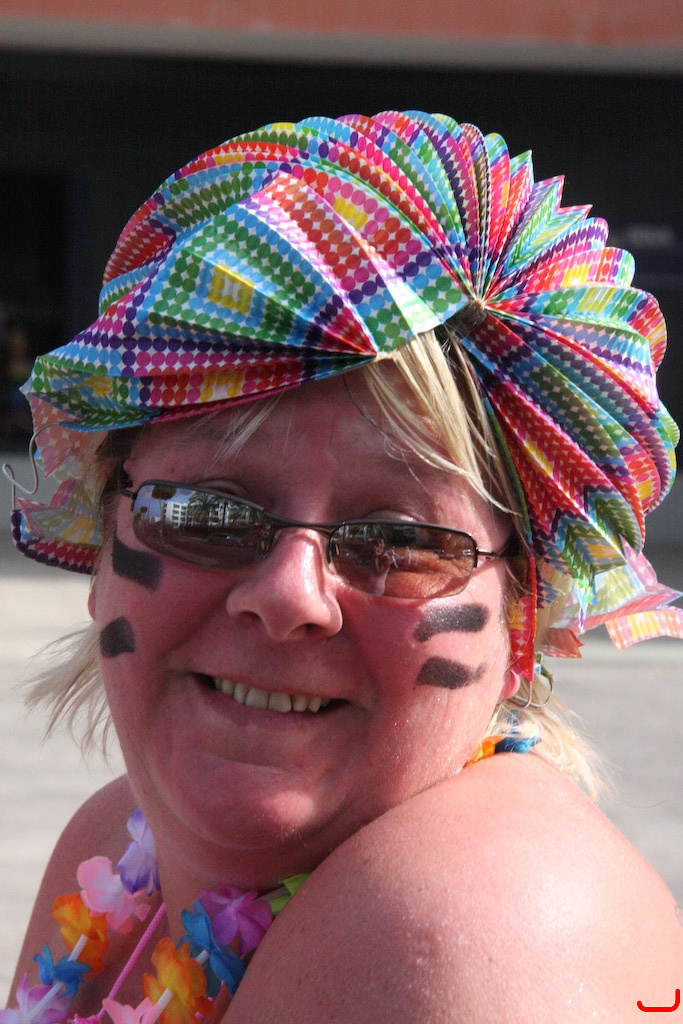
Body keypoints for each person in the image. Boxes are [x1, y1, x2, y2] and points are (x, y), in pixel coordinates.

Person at [3, 110, 683, 1023]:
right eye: (203, 512)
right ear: (103, 540)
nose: (289, 594)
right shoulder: (115, 843)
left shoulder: (453, 930)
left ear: (522, 618)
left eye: (398, 542)